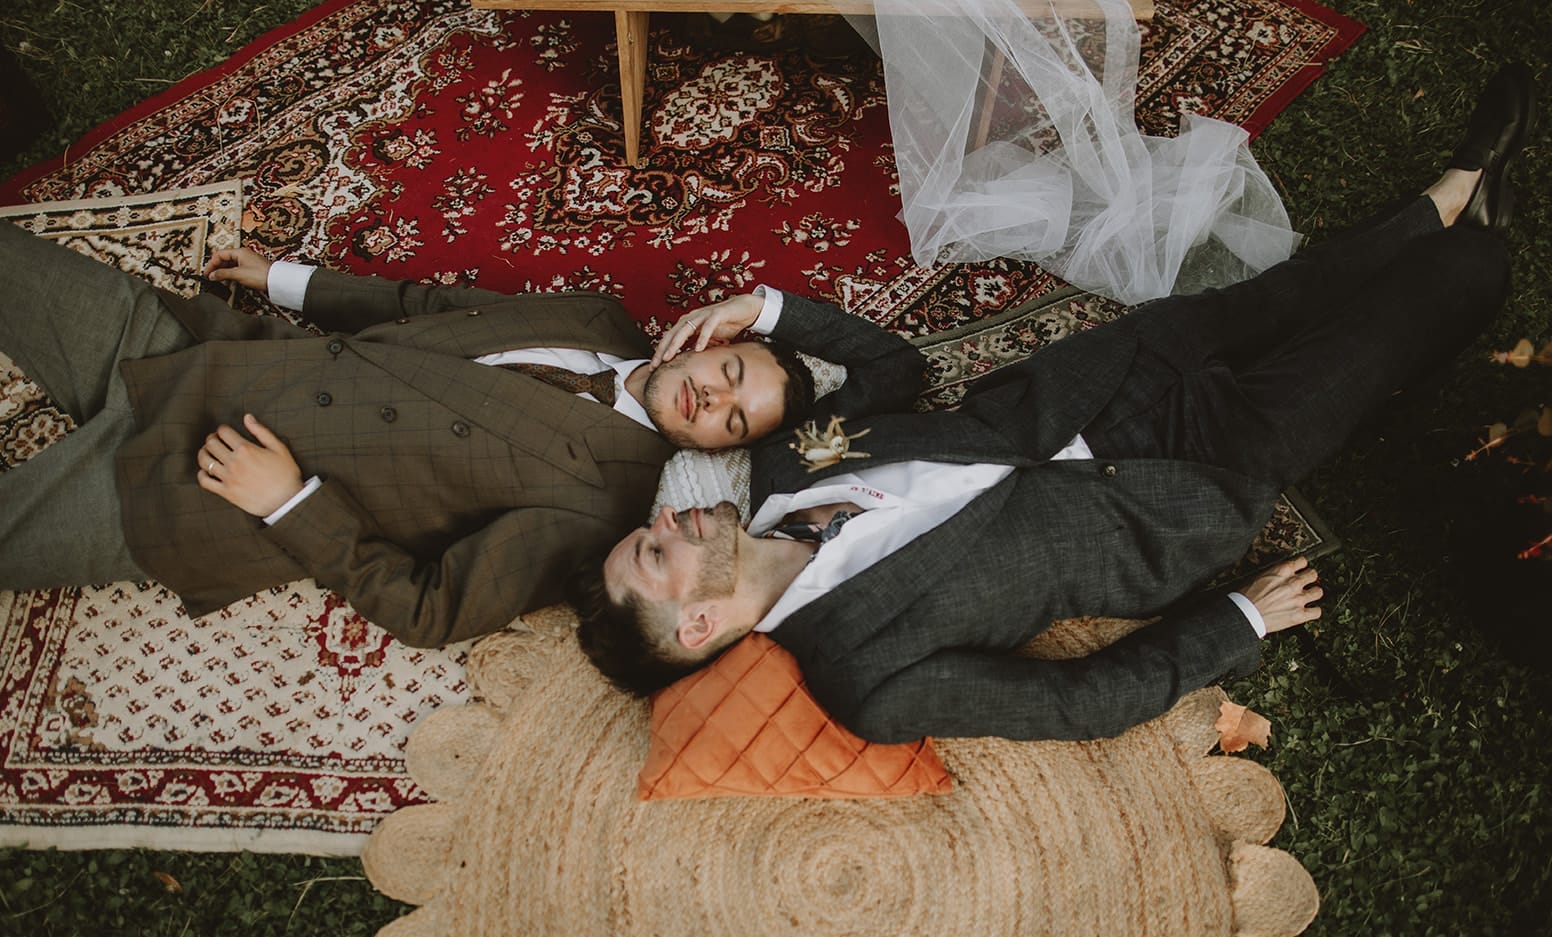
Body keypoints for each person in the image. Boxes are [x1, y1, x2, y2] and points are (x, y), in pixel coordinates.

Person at [576, 65, 1536, 742]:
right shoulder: (865, 676)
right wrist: (1235, 622)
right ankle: (1474, 240)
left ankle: (1448, 195)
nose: (669, 520)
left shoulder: (783, 471)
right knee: (1397, 325)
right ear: (698, 627)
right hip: (1172, 489)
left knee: (1288, 296)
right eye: (658, 551)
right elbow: (1076, 702)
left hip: (1110, 372)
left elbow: (891, 373)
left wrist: (767, 305)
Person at [0, 208, 921, 647]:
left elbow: (429, 610)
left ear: (714, 453)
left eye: (733, 422)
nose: (715, 399)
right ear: (709, 336)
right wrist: (288, 282)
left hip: (188, 493)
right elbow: (425, 304)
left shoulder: (602, 505)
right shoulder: (594, 319)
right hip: (194, 349)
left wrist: (285, 502)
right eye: (730, 371)